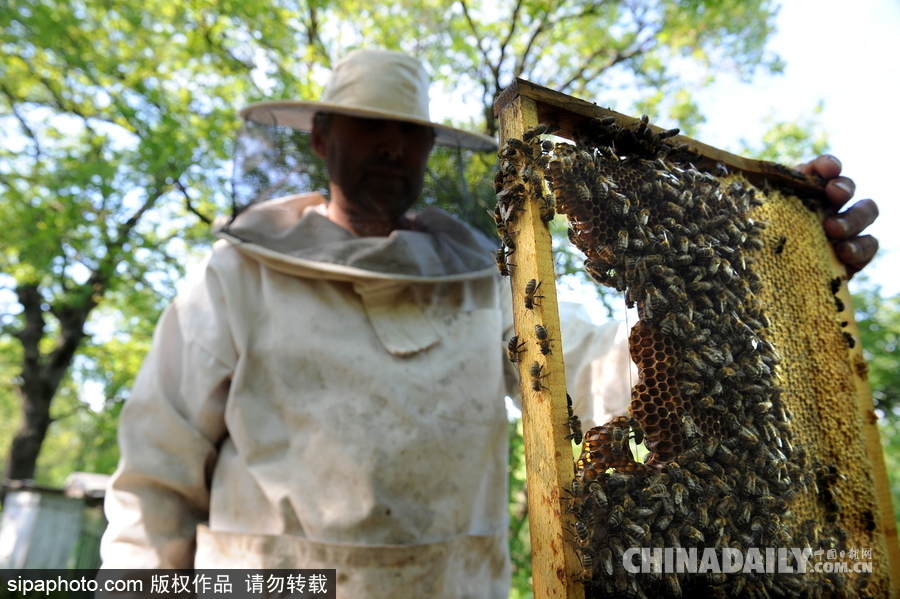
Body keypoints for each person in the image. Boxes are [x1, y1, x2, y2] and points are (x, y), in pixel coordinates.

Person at [100, 49, 878, 597]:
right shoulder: (235, 277)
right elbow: (153, 479)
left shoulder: (486, 276)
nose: (388, 146)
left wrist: (756, 282)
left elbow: (588, 366)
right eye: (367, 126)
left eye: (408, 132)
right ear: (320, 137)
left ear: (431, 149)